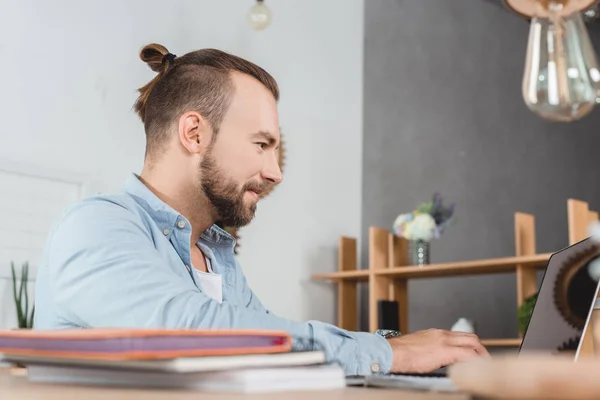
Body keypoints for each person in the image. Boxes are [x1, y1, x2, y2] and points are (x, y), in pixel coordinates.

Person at [34, 43, 489, 376]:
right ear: (194, 133)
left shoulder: (214, 252)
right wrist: (392, 353)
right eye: (261, 145)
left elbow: (275, 338)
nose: (275, 172)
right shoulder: (95, 225)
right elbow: (188, 331)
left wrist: (394, 353)